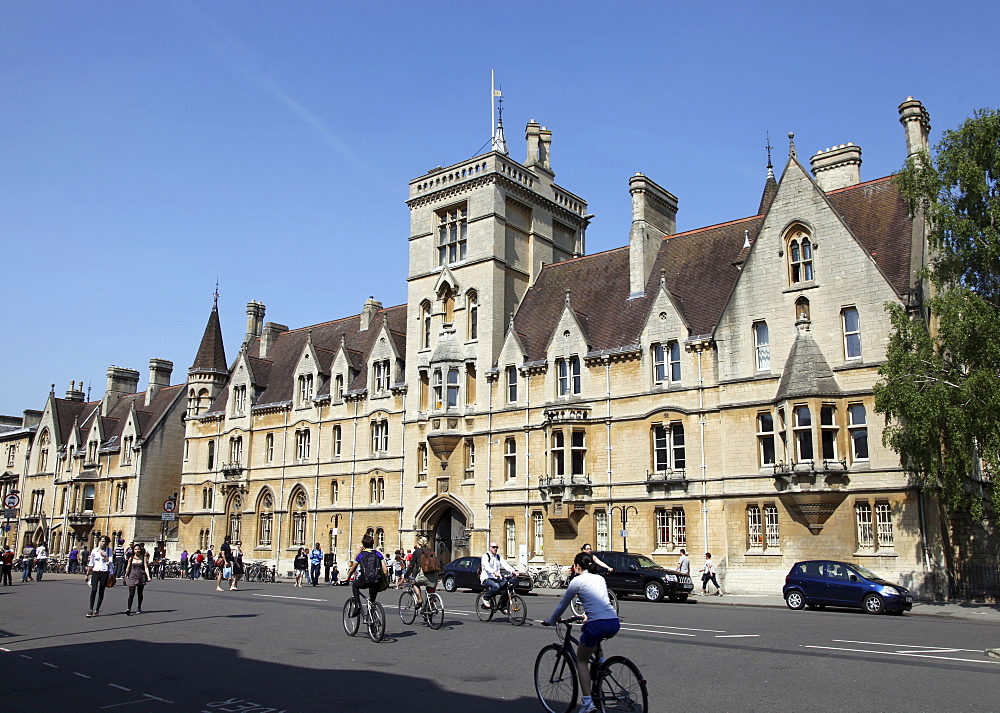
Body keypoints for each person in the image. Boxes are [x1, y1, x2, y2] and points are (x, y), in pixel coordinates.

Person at [544, 552, 621, 713]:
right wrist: (587, 614)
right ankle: (602, 662)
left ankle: (587, 703)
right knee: (590, 633)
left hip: (597, 624)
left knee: (581, 661)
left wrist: (551, 620)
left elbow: (562, 605)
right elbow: (599, 599)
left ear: (577, 566)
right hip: (613, 621)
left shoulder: (576, 581)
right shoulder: (600, 579)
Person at [347, 534, 387, 613]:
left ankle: (357, 605)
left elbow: (352, 569)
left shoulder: (361, 555)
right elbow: (385, 569)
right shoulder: (378, 554)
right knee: (372, 599)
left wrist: (347, 578)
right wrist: (385, 579)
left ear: (363, 545)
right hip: (376, 579)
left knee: (355, 585)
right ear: (372, 544)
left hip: (365, 579)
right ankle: (372, 617)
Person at [479, 541, 519, 608]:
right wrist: (494, 572)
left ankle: (503, 606)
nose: (495, 549)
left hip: (497, 578)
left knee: (508, 586)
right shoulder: (485, 556)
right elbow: (486, 566)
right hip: (487, 578)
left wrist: (513, 571)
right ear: (490, 548)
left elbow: (505, 565)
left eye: (496, 547)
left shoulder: (498, 557)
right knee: (496, 586)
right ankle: (485, 598)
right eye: (493, 547)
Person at [405, 536, 439, 607]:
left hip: (423, 574)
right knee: (430, 587)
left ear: (419, 543)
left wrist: (406, 575)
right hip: (433, 575)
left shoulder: (417, 552)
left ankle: (419, 599)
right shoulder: (431, 551)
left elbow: (411, 565)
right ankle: (431, 603)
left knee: (415, 584)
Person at [86, 536, 114, 617]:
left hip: (104, 572)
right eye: (102, 541)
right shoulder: (94, 550)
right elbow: (91, 562)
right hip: (96, 571)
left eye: (105, 541)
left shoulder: (109, 551)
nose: (103, 543)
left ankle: (97, 610)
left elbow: (110, 562)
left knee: (101, 590)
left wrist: (105, 556)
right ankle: (90, 609)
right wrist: (87, 573)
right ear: (99, 541)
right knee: (94, 589)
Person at [124, 543, 152, 615]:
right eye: (135, 549)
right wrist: (125, 576)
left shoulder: (143, 557)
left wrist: (148, 576)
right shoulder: (131, 558)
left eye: (138, 549)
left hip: (141, 576)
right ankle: (128, 608)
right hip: (132, 576)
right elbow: (128, 568)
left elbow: (146, 567)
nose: (137, 551)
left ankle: (139, 607)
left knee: (140, 593)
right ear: (133, 550)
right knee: (131, 593)